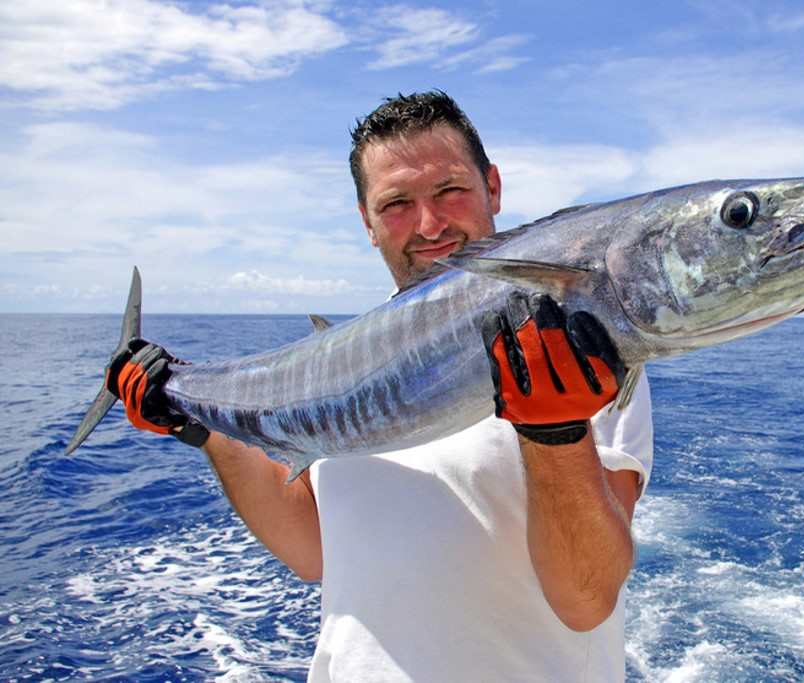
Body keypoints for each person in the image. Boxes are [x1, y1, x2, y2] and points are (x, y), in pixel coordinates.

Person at [109, 91, 654, 682]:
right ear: (367, 222)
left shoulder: (582, 351)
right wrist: (201, 429)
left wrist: (556, 432)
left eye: (450, 190)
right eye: (396, 203)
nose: (430, 224)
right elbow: (312, 549)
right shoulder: (344, 363)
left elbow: (586, 599)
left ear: (492, 187)